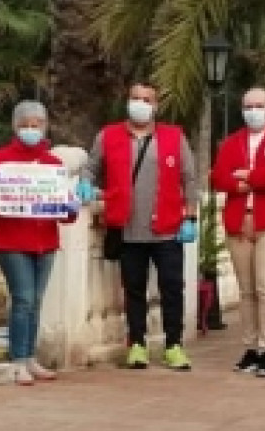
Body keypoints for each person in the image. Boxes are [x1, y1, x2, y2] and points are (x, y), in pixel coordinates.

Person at [78, 81, 198, 370]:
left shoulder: (173, 137)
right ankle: (137, 345)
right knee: (134, 290)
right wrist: (84, 182)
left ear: (156, 106)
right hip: (128, 229)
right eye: (135, 98)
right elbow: (91, 166)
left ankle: (173, 345)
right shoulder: (108, 136)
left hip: (167, 228)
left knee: (172, 288)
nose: (140, 104)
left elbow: (189, 178)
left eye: (147, 100)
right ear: (127, 101)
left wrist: (190, 217)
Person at [0, 100, 80, 386]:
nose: (30, 130)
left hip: (45, 243)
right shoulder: (1, 158)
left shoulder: (53, 164)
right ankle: (18, 359)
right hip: (12, 243)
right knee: (23, 299)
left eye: (36, 125)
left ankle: (29, 357)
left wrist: (71, 204)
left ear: (44, 127)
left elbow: (66, 216)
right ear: (15, 127)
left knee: (35, 302)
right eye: (24, 125)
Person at [210, 87, 265, 377]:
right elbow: (218, 176)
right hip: (239, 221)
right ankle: (250, 347)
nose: (253, 111)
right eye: (248, 106)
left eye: (259, 105)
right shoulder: (232, 142)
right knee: (246, 290)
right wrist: (243, 183)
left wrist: (249, 175)